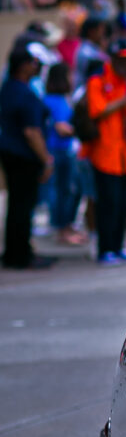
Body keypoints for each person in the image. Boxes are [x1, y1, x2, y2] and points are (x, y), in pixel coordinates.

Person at [84, 39, 126, 265]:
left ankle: (118, 247)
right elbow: (96, 111)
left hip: (122, 153)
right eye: (125, 59)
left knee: (121, 204)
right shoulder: (98, 80)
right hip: (103, 153)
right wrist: (124, 101)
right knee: (107, 204)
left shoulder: (124, 82)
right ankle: (105, 250)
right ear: (115, 59)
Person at [0, 44, 55, 269]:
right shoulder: (23, 92)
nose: (37, 67)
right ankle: (20, 255)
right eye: (33, 63)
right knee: (23, 206)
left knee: (16, 205)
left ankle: (15, 252)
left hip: (11, 154)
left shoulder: (8, 88)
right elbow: (31, 132)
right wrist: (46, 159)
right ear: (23, 66)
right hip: (23, 156)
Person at [42, 62, 85, 245]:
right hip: (59, 150)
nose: (72, 78)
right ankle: (62, 230)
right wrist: (82, 129)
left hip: (62, 149)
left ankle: (66, 227)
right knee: (63, 191)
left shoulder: (58, 98)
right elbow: (61, 128)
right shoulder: (56, 100)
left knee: (66, 190)